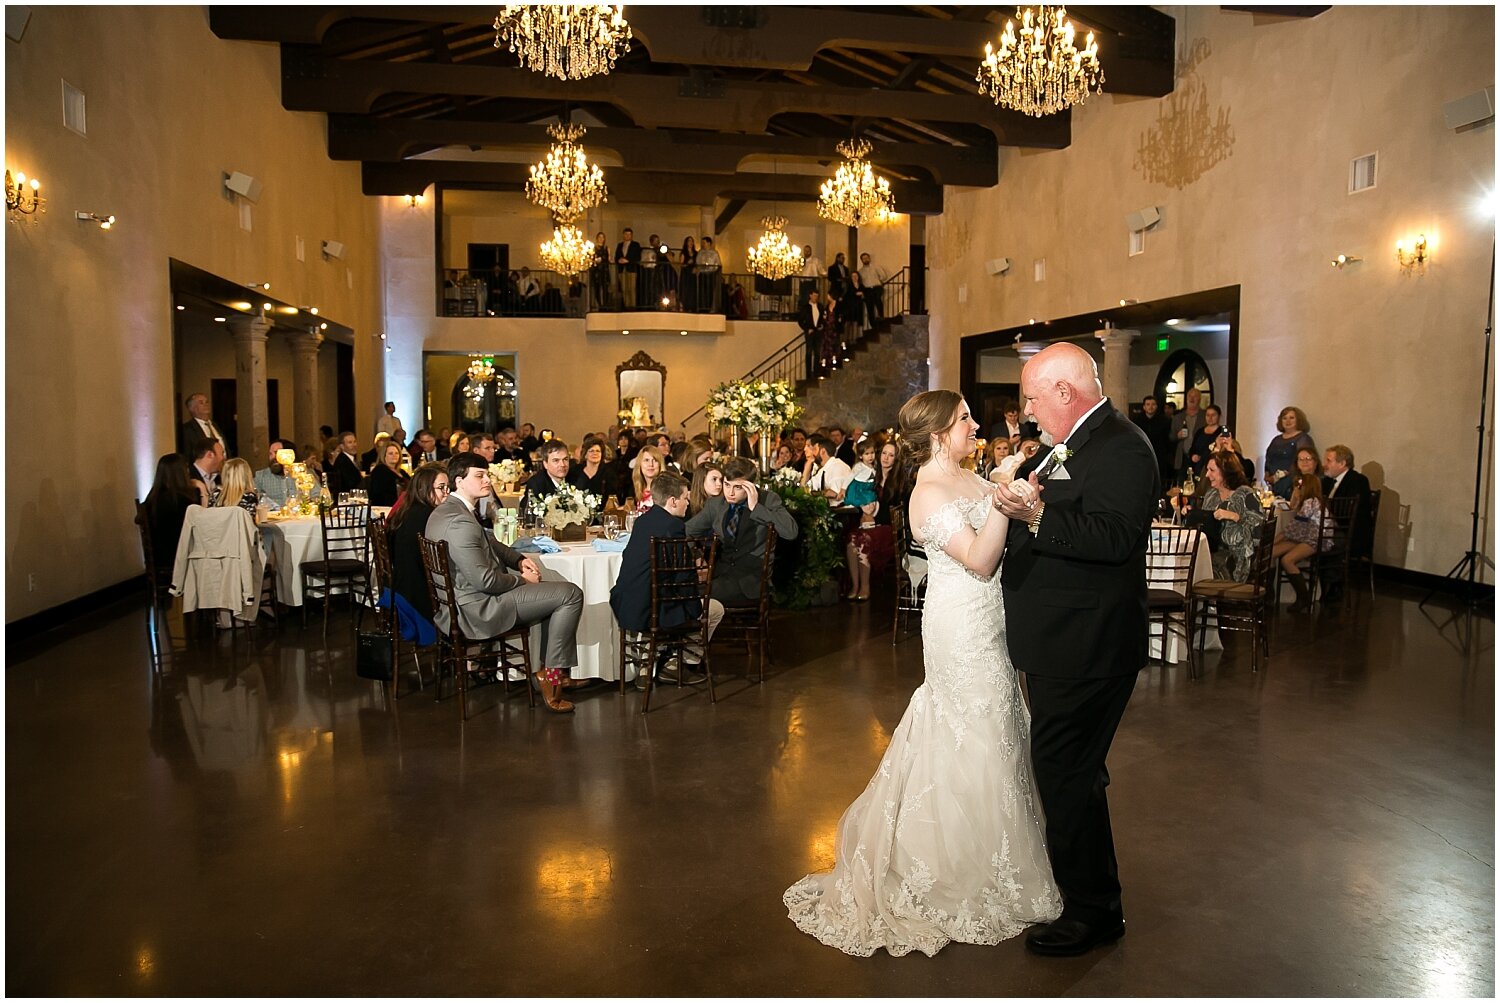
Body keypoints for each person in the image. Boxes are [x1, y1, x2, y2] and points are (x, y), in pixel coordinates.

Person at [785, 390, 1059, 957]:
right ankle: (948, 865)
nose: (975, 425)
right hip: (959, 626)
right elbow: (982, 559)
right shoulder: (928, 493)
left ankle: (993, 857)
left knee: (1000, 731)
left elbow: (1000, 507)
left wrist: (1010, 483)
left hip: (993, 620)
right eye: (965, 419)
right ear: (938, 433)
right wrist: (1007, 508)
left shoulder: (968, 477)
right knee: (971, 731)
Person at [993, 342, 1159, 957]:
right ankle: (1088, 895)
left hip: (1088, 644)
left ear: (1065, 391)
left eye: (1032, 397)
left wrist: (1035, 517)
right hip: (1061, 638)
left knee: (1063, 772)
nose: (1028, 412)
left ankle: (1093, 911)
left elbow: (1116, 538)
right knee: (1072, 772)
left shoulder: (1121, 446)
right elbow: (1059, 507)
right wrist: (1021, 506)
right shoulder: (1074, 445)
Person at [423, 453, 584, 713]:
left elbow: (488, 540)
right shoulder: (459, 522)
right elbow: (485, 580)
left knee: (553, 585)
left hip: (467, 599)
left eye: (487, 474)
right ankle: (553, 678)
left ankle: (549, 673)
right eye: (480, 475)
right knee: (570, 594)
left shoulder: (449, 509)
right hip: (479, 608)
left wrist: (519, 559)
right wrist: (522, 579)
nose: (488, 480)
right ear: (459, 481)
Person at [610, 471, 724, 687]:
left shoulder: (643, 522)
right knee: (714, 608)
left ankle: (647, 665)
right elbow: (683, 577)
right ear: (673, 501)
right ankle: (677, 662)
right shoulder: (674, 527)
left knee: (657, 597)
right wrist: (696, 599)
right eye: (685, 499)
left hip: (626, 602)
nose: (688, 505)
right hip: (652, 609)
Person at [687, 458, 798, 604]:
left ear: (750, 486)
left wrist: (756, 508)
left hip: (751, 580)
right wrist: (697, 556)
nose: (730, 492)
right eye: (727, 485)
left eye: (738, 487)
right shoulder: (716, 504)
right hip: (721, 573)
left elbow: (791, 532)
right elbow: (687, 531)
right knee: (685, 591)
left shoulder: (767, 499)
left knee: (695, 595)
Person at [386, 462, 448, 632]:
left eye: (448, 487)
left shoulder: (407, 509)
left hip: (402, 587)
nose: (446, 493)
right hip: (421, 596)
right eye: (441, 488)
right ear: (424, 488)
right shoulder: (428, 516)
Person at [1274, 446, 1332, 612]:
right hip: (1305, 536)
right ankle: (1268, 592)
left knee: (1287, 559)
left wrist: (1273, 539)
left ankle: (1303, 597)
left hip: (1316, 538)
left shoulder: (1311, 503)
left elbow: (1292, 531)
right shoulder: (1307, 502)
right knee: (1272, 551)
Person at [1197, 452, 1264, 583]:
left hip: (1241, 554)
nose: (1207, 475)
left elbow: (1260, 527)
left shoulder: (1245, 494)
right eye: (1207, 470)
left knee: (1201, 566)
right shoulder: (1211, 495)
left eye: (1212, 470)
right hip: (1215, 550)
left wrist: (1235, 517)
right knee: (1193, 561)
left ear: (1226, 471)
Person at [1320, 444, 1373, 602]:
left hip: (1350, 533)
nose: (1325, 464)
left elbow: (1351, 512)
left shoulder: (1358, 481)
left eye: (1329, 461)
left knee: (1322, 543)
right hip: (1329, 528)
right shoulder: (1328, 482)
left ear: (1342, 464)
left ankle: (1332, 586)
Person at [844, 440, 895, 601]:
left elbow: (893, 509)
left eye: (891, 455)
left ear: (896, 458)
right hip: (869, 522)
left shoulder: (896, 480)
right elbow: (859, 495)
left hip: (887, 527)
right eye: (884, 453)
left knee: (863, 541)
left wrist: (875, 510)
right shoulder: (872, 473)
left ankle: (865, 587)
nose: (886, 458)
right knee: (851, 542)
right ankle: (855, 585)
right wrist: (863, 509)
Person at [138, 453, 201, 580]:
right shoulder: (184, 501)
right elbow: (199, 525)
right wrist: (202, 491)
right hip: (178, 556)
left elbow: (137, 519)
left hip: (159, 557)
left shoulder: (152, 500)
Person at [1265, 406, 1315, 501]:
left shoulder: (1303, 439)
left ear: (1298, 420)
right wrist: (1267, 475)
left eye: (1291, 418)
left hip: (1292, 482)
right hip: (1274, 483)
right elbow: (1269, 458)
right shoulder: (1276, 440)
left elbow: (1303, 463)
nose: (1288, 421)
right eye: (1285, 418)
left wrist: (1280, 476)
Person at [520, 440, 572, 514]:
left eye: (565, 459)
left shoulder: (575, 479)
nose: (562, 464)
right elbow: (528, 515)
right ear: (545, 464)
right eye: (556, 460)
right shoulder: (536, 484)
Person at [1131, 394, 1173, 484]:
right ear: (1144, 407)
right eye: (1148, 404)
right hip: (1142, 454)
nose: (1150, 407)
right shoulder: (1136, 421)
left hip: (1159, 455)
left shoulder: (1164, 421)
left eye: (1153, 404)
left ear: (1156, 406)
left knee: (1159, 480)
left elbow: (1167, 439)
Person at [802, 434, 852, 503]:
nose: (812, 453)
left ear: (822, 451)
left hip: (843, 511)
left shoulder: (838, 466)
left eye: (815, 449)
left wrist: (814, 493)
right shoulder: (823, 470)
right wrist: (808, 464)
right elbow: (805, 488)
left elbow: (834, 494)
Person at [1169, 387, 1205, 481]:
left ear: (1200, 399)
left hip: (1198, 457)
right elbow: (1171, 437)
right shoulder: (1178, 417)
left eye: (1195, 396)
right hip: (1182, 457)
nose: (1192, 399)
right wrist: (1178, 436)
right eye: (1190, 396)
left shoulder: (1205, 416)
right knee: (1181, 484)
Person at [179, 391, 228, 456]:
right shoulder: (187, 429)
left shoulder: (215, 425)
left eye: (207, 402)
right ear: (192, 408)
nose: (206, 405)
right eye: (201, 403)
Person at [367, 440, 410, 507]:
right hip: (387, 507)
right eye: (390, 453)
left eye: (396, 453)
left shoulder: (402, 471)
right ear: (384, 455)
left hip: (404, 506)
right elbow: (379, 495)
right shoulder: (380, 470)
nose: (394, 456)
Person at [568, 435, 613, 500]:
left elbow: (612, 496)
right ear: (585, 454)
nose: (595, 453)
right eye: (591, 451)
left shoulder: (608, 472)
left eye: (598, 451)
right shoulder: (575, 471)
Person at [253, 439, 295, 507]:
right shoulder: (261, 476)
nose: (273, 457)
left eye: (276, 453)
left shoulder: (301, 474)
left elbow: (316, 496)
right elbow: (252, 498)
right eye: (270, 454)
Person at [1187, 404, 1224, 477]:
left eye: (1213, 415)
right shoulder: (1200, 431)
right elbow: (1192, 448)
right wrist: (1193, 456)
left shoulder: (1223, 430)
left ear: (1219, 416)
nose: (1210, 418)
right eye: (1208, 415)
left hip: (1215, 467)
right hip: (1198, 468)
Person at [187, 435, 225, 506]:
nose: (223, 458)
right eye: (222, 453)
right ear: (210, 455)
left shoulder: (220, 479)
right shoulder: (188, 477)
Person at [326, 431, 363, 499]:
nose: (354, 445)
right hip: (347, 501)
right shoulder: (342, 461)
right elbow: (350, 483)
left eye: (354, 441)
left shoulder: (350, 459)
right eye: (350, 442)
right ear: (342, 446)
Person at [798, 289, 824, 381]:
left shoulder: (820, 306)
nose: (815, 297)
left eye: (817, 296)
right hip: (810, 332)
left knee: (817, 352)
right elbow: (800, 320)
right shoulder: (805, 307)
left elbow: (822, 318)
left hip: (818, 332)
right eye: (814, 295)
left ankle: (816, 372)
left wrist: (821, 326)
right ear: (810, 295)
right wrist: (807, 329)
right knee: (809, 352)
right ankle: (808, 374)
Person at [857, 251, 888, 325]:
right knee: (869, 305)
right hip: (867, 289)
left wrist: (879, 281)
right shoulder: (860, 271)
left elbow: (884, 276)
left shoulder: (876, 267)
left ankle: (881, 317)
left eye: (867, 258)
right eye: (864, 259)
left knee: (877, 299)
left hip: (876, 287)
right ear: (861, 260)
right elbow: (860, 282)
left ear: (869, 259)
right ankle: (872, 323)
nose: (866, 260)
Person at [630, 445, 665, 511]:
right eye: (646, 460)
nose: (650, 464)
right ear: (640, 464)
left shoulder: (665, 491)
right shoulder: (637, 489)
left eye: (655, 460)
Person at [614, 227, 641, 309]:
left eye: (629, 234)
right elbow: (616, 257)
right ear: (623, 235)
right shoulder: (620, 245)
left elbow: (637, 257)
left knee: (631, 288)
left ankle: (632, 306)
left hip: (631, 269)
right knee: (624, 289)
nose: (627, 236)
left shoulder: (635, 245)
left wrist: (628, 260)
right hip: (622, 270)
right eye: (626, 234)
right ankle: (626, 306)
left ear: (631, 235)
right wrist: (619, 260)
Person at [696, 236, 722, 313]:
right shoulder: (700, 253)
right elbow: (697, 262)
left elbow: (718, 264)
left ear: (709, 243)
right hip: (702, 274)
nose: (703, 244)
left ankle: (709, 307)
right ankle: (702, 307)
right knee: (702, 291)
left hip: (710, 274)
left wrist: (711, 268)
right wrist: (701, 267)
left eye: (704, 242)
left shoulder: (714, 253)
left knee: (709, 291)